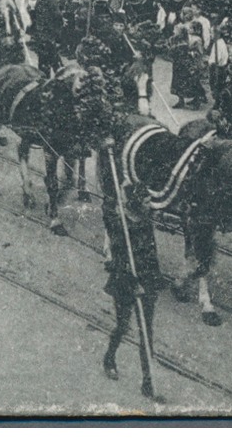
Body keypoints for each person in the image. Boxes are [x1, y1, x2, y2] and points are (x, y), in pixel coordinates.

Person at [96, 137, 160, 400]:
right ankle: (109, 358)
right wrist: (133, 282)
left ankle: (148, 382)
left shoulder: (146, 221)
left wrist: (151, 281)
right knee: (122, 326)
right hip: (127, 282)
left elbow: (152, 253)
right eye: (145, 201)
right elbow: (120, 259)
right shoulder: (122, 225)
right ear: (135, 203)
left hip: (149, 280)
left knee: (147, 334)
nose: (150, 204)